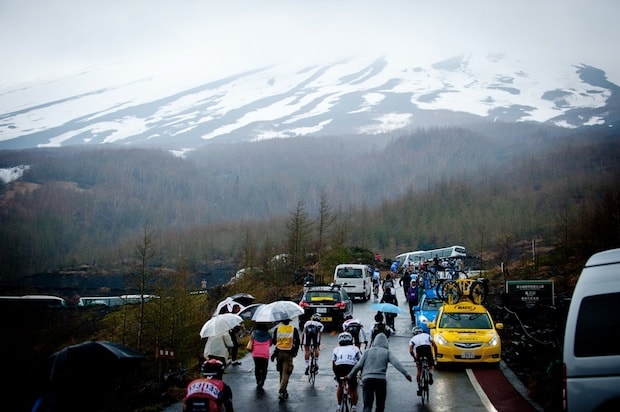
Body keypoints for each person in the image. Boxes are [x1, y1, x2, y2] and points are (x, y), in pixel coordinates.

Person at [346, 333, 412, 412]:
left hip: (367, 379)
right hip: (380, 380)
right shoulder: (387, 352)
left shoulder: (367, 352)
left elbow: (358, 365)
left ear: (375, 342)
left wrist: (349, 376)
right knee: (380, 405)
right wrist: (406, 374)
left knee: (367, 405)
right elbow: (396, 363)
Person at [271, 318, 300, 401]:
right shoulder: (293, 329)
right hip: (288, 353)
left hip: (279, 353)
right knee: (286, 372)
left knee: (281, 372)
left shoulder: (278, 329)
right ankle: (282, 390)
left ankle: (283, 389)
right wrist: (295, 351)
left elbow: (274, 341)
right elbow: (297, 341)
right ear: (289, 321)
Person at [333, 332, 362, 412]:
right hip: (351, 367)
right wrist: (360, 373)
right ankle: (353, 407)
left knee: (340, 385)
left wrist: (336, 374)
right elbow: (360, 361)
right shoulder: (355, 348)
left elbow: (334, 364)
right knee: (353, 388)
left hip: (339, 367)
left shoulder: (336, 349)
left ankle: (338, 406)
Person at [409, 326, 437, 396]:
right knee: (431, 365)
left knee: (419, 369)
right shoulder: (427, 335)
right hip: (427, 348)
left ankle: (419, 387)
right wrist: (435, 356)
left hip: (419, 350)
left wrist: (415, 358)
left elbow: (411, 351)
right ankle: (430, 373)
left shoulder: (413, 338)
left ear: (414, 333)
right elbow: (435, 346)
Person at [248, 323, 272, 389]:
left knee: (257, 367)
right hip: (265, 354)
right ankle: (262, 381)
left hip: (256, 354)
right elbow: (270, 344)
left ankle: (258, 380)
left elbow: (251, 341)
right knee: (264, 369)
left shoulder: (253, 333)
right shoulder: (268, 334)